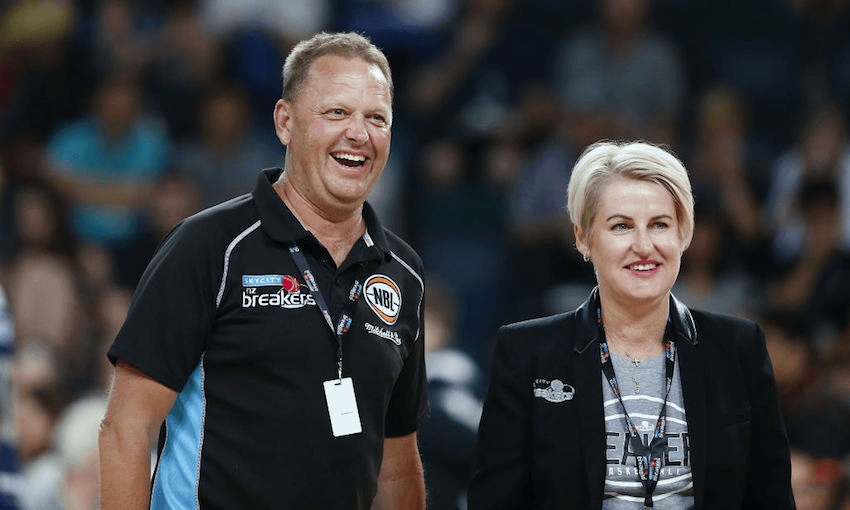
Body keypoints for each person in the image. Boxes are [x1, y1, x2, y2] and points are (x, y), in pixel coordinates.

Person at [99, 32, 428, 510]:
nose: (359, 133)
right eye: (337, 112)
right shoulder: (209, 246)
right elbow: (126, 429)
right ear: (285, 122)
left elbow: (397, 465)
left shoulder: (404, 275)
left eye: (376, 118)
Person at [468, 140, 795, 509]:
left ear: (683, 234)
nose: (643, 246)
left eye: (659, 225)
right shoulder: (525, 353)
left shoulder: (740, 348)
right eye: (621, 226)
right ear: (583, 237)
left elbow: (772, 499)